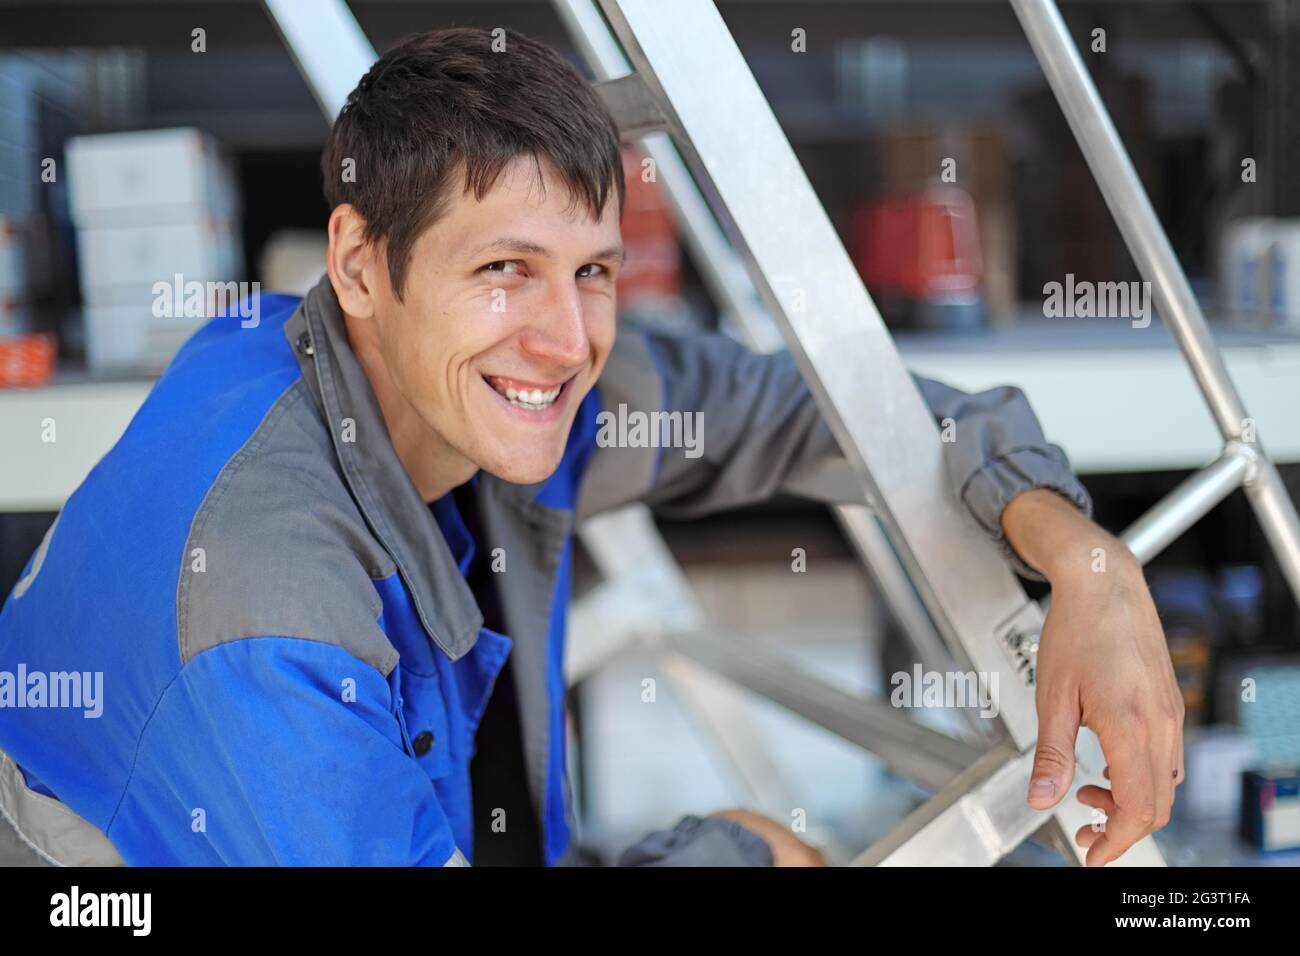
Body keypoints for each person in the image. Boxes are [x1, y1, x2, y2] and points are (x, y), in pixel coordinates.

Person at [0, 27, 1182, 867]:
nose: (566, 340)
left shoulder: (449, 375)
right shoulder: (267, 605)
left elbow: (864, 411)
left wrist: (1082, 557)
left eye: (594, 272)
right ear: (360, 261)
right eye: (503, 267)